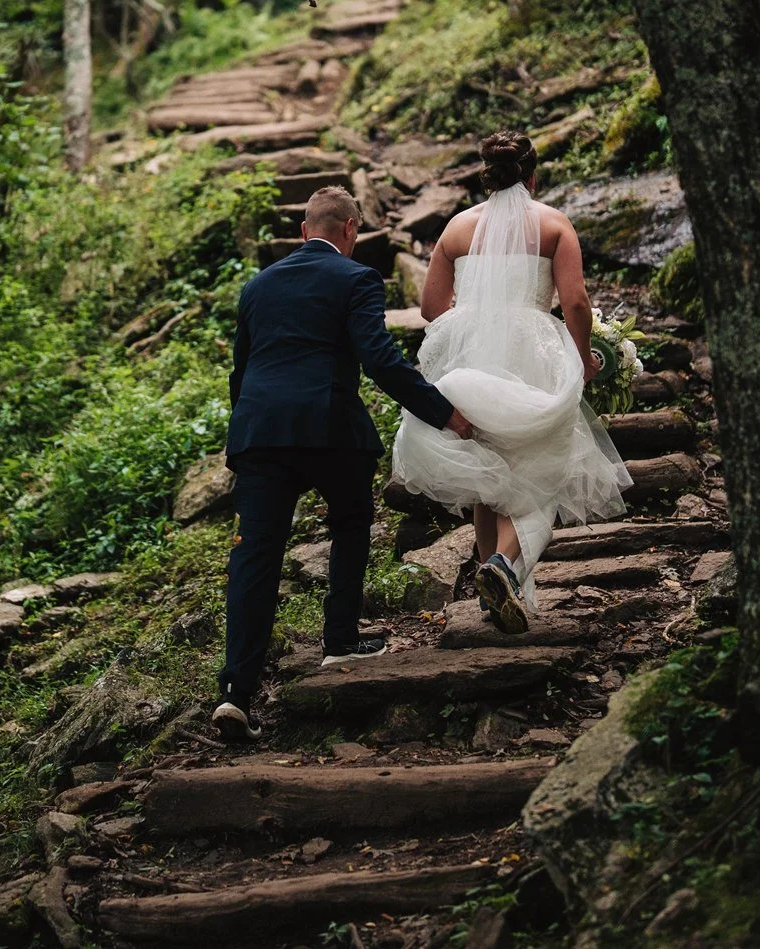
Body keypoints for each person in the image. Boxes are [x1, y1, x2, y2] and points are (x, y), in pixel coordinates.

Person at [215, 185, 474, 743]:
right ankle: (338, 641)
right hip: (330, 429)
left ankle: (236, 691)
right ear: (351, 230)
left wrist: (251, 432)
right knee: (352, 524)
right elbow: (379, 359)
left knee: (254, 558)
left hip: (261, 434)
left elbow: (241, 373)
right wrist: (443, 413)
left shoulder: (257, 286)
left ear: (305, 231)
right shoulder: (357, 278)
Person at [392, 131, 632, 635]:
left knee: (487, 474)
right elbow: (577, 304)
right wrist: (584, 357)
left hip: (470, 358)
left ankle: (492, 589)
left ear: (487, 175)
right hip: (532, 355)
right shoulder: (552, 224)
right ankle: (502, 568)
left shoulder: (456, 229)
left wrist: (477, 316)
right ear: (533, 174)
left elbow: (431, 308)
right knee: (546, 468)